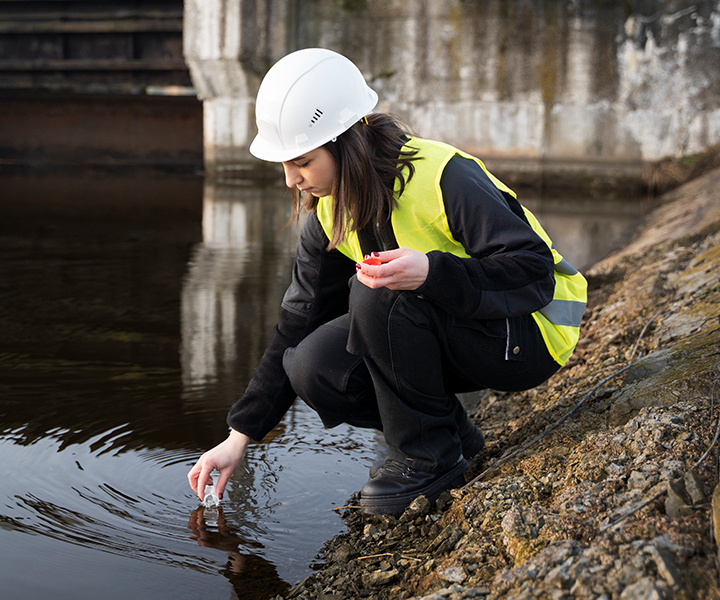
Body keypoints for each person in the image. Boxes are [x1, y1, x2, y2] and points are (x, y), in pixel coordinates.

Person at [188, 48, 587, 517]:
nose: (292, 180)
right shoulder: (329, 213)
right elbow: (295, 326)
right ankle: (451, 437)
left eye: (302, 161)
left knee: (376, 294)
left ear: (345, 141)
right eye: (284, 164)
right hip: (466, 329)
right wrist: (240, 437)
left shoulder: (443, 176)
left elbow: (533, 270)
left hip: (530, 334)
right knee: (310, 365)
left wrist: (434, 273)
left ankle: (427, 460)